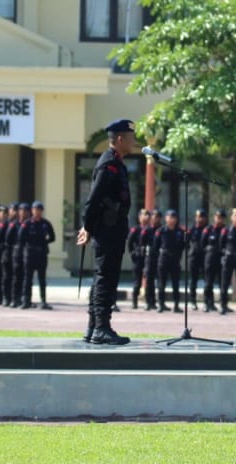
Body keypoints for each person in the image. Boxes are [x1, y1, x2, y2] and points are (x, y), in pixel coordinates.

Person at [77, 118, 137, 345]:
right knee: (106, 278)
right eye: (131, 138)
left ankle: (93, 327)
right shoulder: (109, 163)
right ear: (120, 139)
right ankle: (101, 327)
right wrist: (87, 226)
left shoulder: (116, 162)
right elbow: (94, 199)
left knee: (104, 277)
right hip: (108, 230)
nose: (134, 142)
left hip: (112, 229)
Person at [22, 201, 56, 309]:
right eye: (35, 209)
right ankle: (26, 301)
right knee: (28, 278)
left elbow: (52, 237)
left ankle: (43, 301)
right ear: (32, 211)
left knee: (42, 279)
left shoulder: (46, 223)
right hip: (30, 254)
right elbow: (21, 237)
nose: (37, 212)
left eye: (39, 210)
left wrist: (44, 242)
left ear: (41, 211)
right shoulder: (27, 223)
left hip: (41, 254)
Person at [156, 209, 186, 313]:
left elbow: (183, 245)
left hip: (175, 260)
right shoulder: (161, 231)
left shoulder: (180, 232)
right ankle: (160, 304)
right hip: (163, 259)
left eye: (174, 217)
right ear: (166, 218)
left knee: (176, 284)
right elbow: (155, 246)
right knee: (161, 284)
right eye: (169, 217)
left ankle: (176, 305)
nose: (172, 220)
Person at [127, 209, 151, 310]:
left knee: (149, 279)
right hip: (138, 256)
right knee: (137, 281)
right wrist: (133, 253)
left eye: (147, 215)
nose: (146, 217)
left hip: (148, 257)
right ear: (139, 217)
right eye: (144, 215)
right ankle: (134, 301)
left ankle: (148, 301)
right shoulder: (135, 229)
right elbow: (130, 243)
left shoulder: (151, 229)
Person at [201, 210, 224, 312]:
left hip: (221, 259)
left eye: (221, 218)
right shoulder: (208, 229)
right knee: (208, 282)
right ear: (214, 217)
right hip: (210, 258)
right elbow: (202, 243)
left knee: (222, 283)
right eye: (218, 217)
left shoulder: (225, 230)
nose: (219, 219)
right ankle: (207, 303)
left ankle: (223, 303)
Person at [186, 209, 208, 311]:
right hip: (194, 257)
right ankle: (192, 301)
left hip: (205, 257)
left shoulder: (208, 229)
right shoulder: (191, 229)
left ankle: (207, 301)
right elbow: (185, 242)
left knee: (207, 280)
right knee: (193, 280)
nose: (200, 219)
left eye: (202, 217)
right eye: (198, 217)